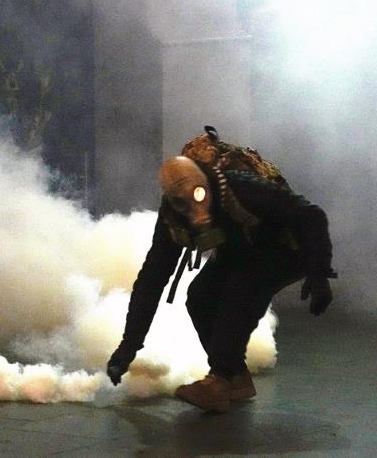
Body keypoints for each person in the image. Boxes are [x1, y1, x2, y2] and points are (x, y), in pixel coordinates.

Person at [106, 127, 336, 412]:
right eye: (181, 201)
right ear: (170, 200)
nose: (193, 207)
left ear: (205, 181)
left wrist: (319, 272)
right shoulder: (171, 219)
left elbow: (310, 215)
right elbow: (152, 279)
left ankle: (220, 378)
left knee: (239, 291)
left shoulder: (240, 187)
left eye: (197, 194)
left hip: (287, 249)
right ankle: (236, 377)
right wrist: (128, 346)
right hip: (241, 250)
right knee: (200, 296)